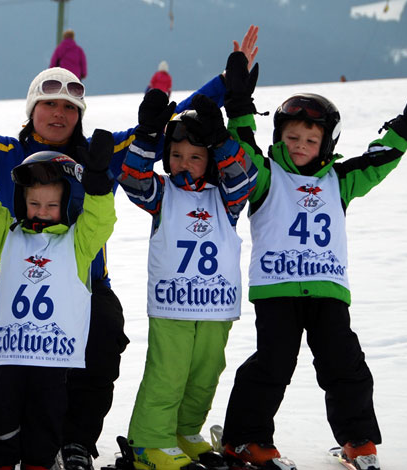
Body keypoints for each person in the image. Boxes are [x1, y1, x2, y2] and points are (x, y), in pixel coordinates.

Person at [0, 16, 259, 469]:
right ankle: (11, 449)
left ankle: (74, 443)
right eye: (49, 104)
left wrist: (222, 85)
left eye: (69, 107)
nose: (59, 114)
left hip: (85, 287)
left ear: (80, 114)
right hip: (16, 294)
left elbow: (161, 124)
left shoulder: (100, 154)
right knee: (15, 386)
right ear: (32, 109)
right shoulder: (3, 157)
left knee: (100, 348)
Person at [217, 52, 407, 469]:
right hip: (277, 289)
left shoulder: (339, 179)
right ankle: (244, 440)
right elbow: (243, 148)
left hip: (328, 290)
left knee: (345, 365)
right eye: (292, 137)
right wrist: (238, 106)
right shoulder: (265, 175)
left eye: (311, 140)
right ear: (279, 137)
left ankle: (358, 439)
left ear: (326, 144)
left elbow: (379, 160)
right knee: (272, 364)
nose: (300, 146)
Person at [0, 122, 116, 470]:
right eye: (33, 203)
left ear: (68, 205)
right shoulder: (10, 236)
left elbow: (100, 221)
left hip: (54, 360)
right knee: (0, 414)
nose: (41, 211)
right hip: (10, 356)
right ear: (21, 202)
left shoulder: (77, 244)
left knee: (45, 420)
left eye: (51, 204)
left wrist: (97, 184)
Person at [117, 89, 257, 470]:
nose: (184, 164)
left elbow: (246, 177)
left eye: (195, 157)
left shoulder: (226, 198)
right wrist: (147, 135)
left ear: (209, 160)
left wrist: (222, 139)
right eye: (176, 156)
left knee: (204, 376)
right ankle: (149, 440)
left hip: (217, 305)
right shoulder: (162, 195)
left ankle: (182, 431)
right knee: (169, 373)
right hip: (173, 303)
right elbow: (132, 179)